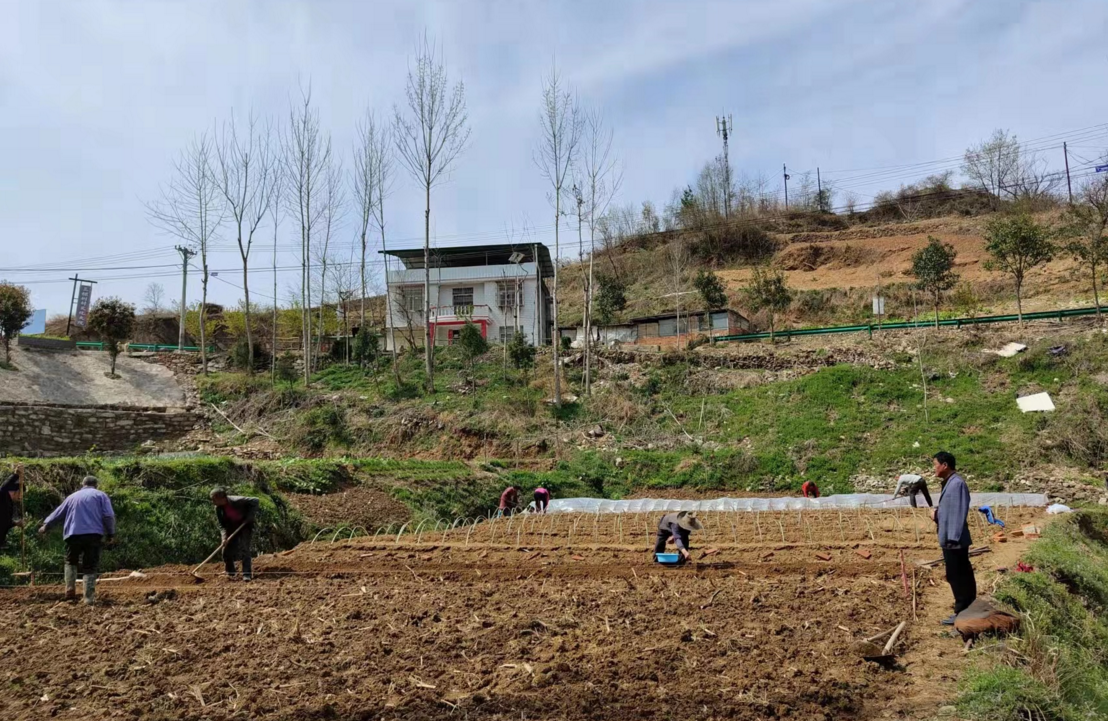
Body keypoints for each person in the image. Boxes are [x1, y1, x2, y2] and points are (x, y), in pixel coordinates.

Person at [38, 476, 116, 604]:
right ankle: (88, 597)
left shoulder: (72, 497)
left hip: (73, 534)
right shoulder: (101, 496)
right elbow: (108, 515)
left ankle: (70, 591)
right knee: (90, 564)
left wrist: (46, 526)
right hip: (93, 534)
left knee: (70, 560)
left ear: (82, 484)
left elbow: (58, 513)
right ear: (96, 485)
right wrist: (111, 533)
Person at [931, 451, 976, 625]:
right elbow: (948, 510)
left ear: (945, 465)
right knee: (956, 575)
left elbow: (959, 511)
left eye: (935, 465)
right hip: (951, 538)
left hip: (954, 540)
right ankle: (965, 608)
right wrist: (936, 514)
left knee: (958, 576)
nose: (934, 469)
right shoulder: (949, 483)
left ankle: (963, 611)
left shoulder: (957, 484)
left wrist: (953, 538)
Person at [210, 488, 259, 582]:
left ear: (222, 498)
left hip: (244, 525)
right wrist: (224, 537)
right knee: (225, 549)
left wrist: (249, 516)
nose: (212, 501)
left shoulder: (236, 500)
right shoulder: (218, 509)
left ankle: (247, 574)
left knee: (244, 548)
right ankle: (231, 572)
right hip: (231, 527)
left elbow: (255, 500)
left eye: (214, 499)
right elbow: (221, 525)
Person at [0, 472, 23, 551]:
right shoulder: (3, 496)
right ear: (15, 491)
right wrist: (16, 474)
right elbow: (4, 487)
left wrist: (16, 523)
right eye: (21, 494)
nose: (20, 497)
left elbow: (5, 522)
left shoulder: (10, 503)